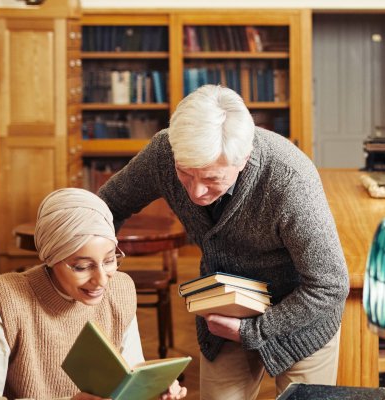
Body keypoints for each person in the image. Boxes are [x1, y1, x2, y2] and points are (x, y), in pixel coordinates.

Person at [97, 85, 349, 399]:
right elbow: (106, 206)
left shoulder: (290, 178)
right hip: (224, 312)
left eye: (212, 179)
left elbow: (330, 285)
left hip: (302, 314)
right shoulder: (164, 152)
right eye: (185, 174)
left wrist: (254, 331)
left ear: (243, 159)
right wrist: (96, 265)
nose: (195, 193)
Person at [0, 188, 186, 400]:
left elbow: (129, 372)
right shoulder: (5, 301)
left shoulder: (121, 289)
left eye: (109, 259)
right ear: (51, 259)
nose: (102, 280)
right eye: (82, 267)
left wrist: (152, 386)